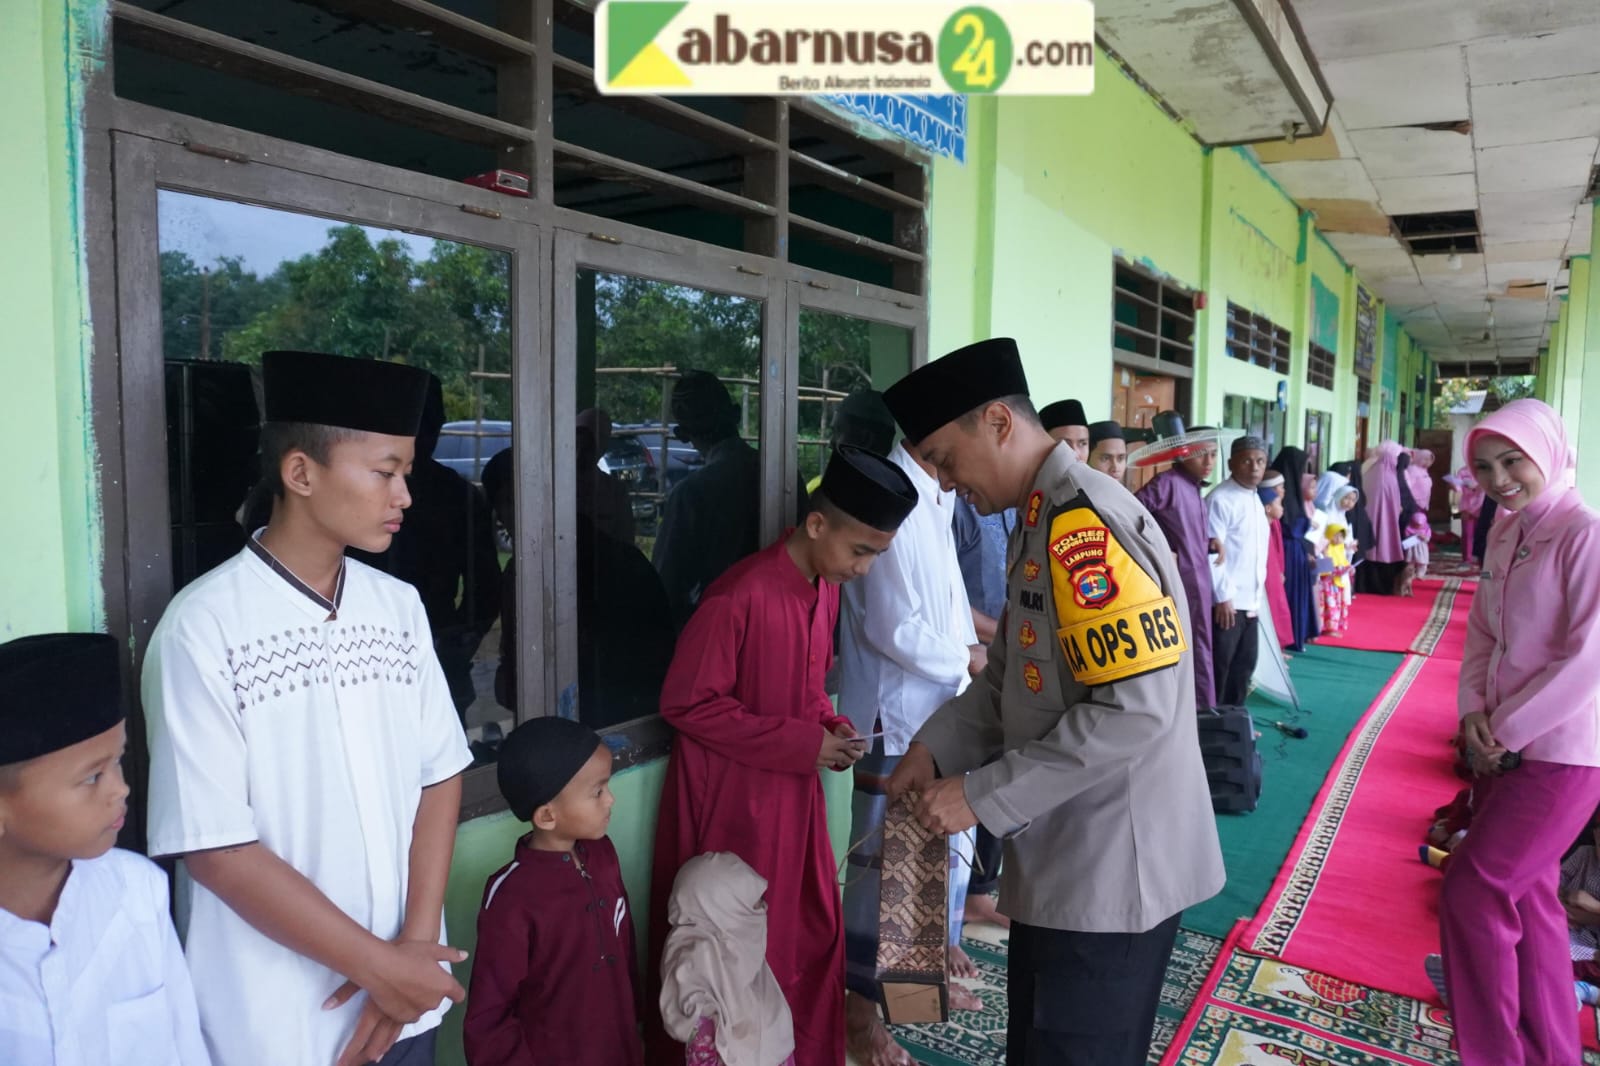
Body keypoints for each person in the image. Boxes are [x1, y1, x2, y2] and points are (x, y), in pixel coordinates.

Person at [881, 337, 1224, 1066]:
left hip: (1112, 868)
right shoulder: (1040, 518)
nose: (943, 484)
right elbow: (1011, 675)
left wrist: (977, 794)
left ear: (999, 424)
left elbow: (1135, 709)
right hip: (1071, 856)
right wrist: (933, 748)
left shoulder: (1083, 527)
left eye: (945, 459)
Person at [142, 350, 475, 1066]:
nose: (404, 496)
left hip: (407, 1003)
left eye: (406, 474)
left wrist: (412, 951)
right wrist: (377, 968)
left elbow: (440, 775)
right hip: (276, 1022)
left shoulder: (398, 608)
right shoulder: (204, 627)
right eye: (385, 471)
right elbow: (216, 847)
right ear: (300, 473)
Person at [646, 445, 920, 1066]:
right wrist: (804, 742)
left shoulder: (822, 589)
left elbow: (805, 684)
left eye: (878, 554)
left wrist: (832, 724)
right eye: (860, 551)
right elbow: (688, 704)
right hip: (735, 806)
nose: (866, 569)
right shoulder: (739, 595)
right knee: (741, 947)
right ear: (817, 525)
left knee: (803, 935)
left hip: (792, 795)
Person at [1433, 398, 1600, 1066]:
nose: (1499, 479)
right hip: (1500, 746)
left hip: (1563, 755)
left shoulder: (1584, 533)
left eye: (1512, 461)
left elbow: (1589, 658)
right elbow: (1483, 632)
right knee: (1531, 907)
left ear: (1548, 453)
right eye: (1483, 467)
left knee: (1474, 890)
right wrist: (1472, 710)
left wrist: (1505, 727)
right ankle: (1553, 1055)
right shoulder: (1505, 530)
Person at [837, 437, 984, 1063]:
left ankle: (912, 988)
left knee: (927, 865)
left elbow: (945, 606)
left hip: (938, 712)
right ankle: (858, 1019)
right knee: (884, 886)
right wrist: (967, 659)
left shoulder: (934, 493)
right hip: (896, 720)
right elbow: (890, 626)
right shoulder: (895, 493)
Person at [0, 633, 211, 1066]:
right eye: (92, 777)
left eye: (118, 760)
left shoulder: (138, 893)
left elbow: (183, 1044)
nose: (121, 790)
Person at [463, 718, 641, 1066]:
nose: (611, 800)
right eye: (597, 792)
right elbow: (489, 1018)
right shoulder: (511, 897)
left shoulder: (603, 855)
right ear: (547, 816)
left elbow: (626, 948)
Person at [364, 375, 503, 717]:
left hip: (439, 641)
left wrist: (457, 642)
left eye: (430, 425)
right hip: (367, 648)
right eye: (417, 425)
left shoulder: (457, 495)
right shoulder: (353, 493)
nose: (424, 437)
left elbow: (485, 586)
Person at [655, 371, 808, 627]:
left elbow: (666, 586)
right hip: (786, 624)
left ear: (682, 433)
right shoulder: (785, 478)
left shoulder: (693, 492)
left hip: (718, 631)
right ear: (735, 415)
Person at [660, 853, 798, 1066]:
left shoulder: (742, 960)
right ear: (721, 914)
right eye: (750, 907)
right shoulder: (693, 982)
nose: (761, 911)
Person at [1133, 412, 1223, 712]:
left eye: (1212, 454)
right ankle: (1198, 711)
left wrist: (1211, 542)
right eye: (1200, 454)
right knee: (1193, 647)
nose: (1208, 461)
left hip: (1200, 579)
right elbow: (1132, 514)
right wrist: (1161, 548)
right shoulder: (1167, 483)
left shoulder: (1195, 487)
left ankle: (1204, 707)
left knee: (1202, 646)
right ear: (1182, 454)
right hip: (1181, 581)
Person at [1208, 436, 1270, 707]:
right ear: (1232, 463)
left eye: (1260, 461)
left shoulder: (1255, 498)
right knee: (1220, 670)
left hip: (1250, 603)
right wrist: (1223, 597)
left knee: (1243, 669)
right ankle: (1214, 730)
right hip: (1228, 604)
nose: (1254, 467)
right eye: (1246, 460)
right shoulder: (1221, 499)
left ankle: (1235, 727)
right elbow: (1211, 551)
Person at [1268, 447, 1320, 652]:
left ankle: (1297, 635)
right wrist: (1306, 524)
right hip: (1286, 552)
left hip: (1295, 550)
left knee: (1296, 594)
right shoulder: (1278, 492)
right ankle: (1285, 641)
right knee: (1287, 596)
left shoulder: (1290, 491)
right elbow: (1292, 526)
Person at [806, 389, 897, 495]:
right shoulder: (900, 491)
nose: (831, 443)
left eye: (838, 431)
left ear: (865, 439)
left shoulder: (834, 492)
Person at [1358, 441, 1409, 595]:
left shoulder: (1372, 471)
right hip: (1384, 522)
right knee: (1383, 547)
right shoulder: (1386, 476)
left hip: (1370, 521)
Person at [1257, 473, 1294, 652]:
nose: (1282, 507)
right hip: (1266, 573)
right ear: (1268, 508)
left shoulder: (1273, 523)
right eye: (1278, 503)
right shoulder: (1262, 525)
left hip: (1274, 571)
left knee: (1278, 607)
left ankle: (1278, 648)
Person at [1445, 463, 1487, 567]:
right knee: (1467, 534)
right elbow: (1457, 488)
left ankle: (1481, 558)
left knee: (1483, 534)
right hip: (1466, 507)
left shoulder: (1485, 469)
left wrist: (1478, 486)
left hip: (1482, 506)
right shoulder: (1463, 471)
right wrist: (1453, 485)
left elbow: (1489, 486)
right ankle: (1466, 560)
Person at [1319, 520, 1353, 637]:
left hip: (1337, 582)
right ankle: (1329, 628)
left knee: (1337, 604)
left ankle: (1334, 626)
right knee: (1329, 604)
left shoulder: (1340, 547)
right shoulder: (1325, 547)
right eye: (1336, 535)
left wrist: (1349, 567)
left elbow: (1343, 561)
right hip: (1327, 582)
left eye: (1341, 536)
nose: (1339, 539)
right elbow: (1325, 563)